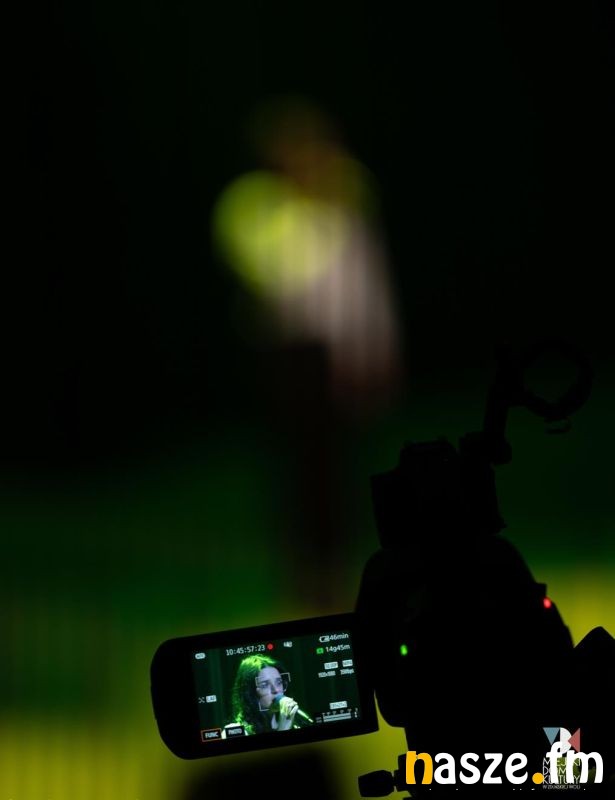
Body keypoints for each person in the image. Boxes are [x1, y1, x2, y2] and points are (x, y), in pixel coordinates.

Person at [223, 654, 308, 736]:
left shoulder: (295, 725)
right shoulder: (235, 731)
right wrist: (283, 729)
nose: (276, 690)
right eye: (265, 685)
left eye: (279, 682)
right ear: (249, 693)